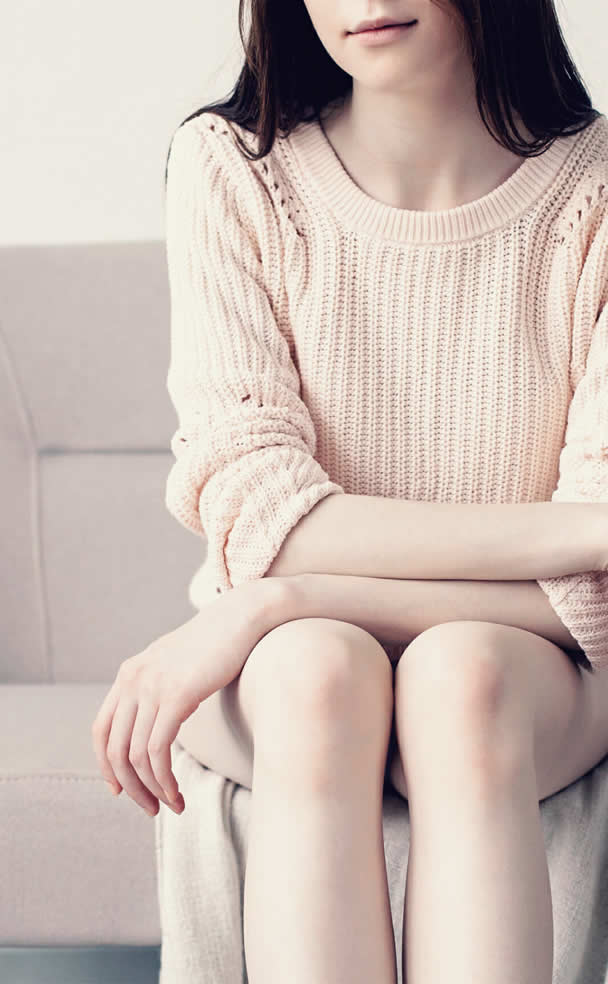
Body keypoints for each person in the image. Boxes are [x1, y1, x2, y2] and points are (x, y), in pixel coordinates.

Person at [93, 2, 608, 982]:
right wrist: (281, 601)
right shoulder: (232, 171)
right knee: (314, 672)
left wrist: (281, 597)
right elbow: (261, 520)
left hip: (531, 667)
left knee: (462, 679)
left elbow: (581, 597)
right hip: (278, 668)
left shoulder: (592, 189)